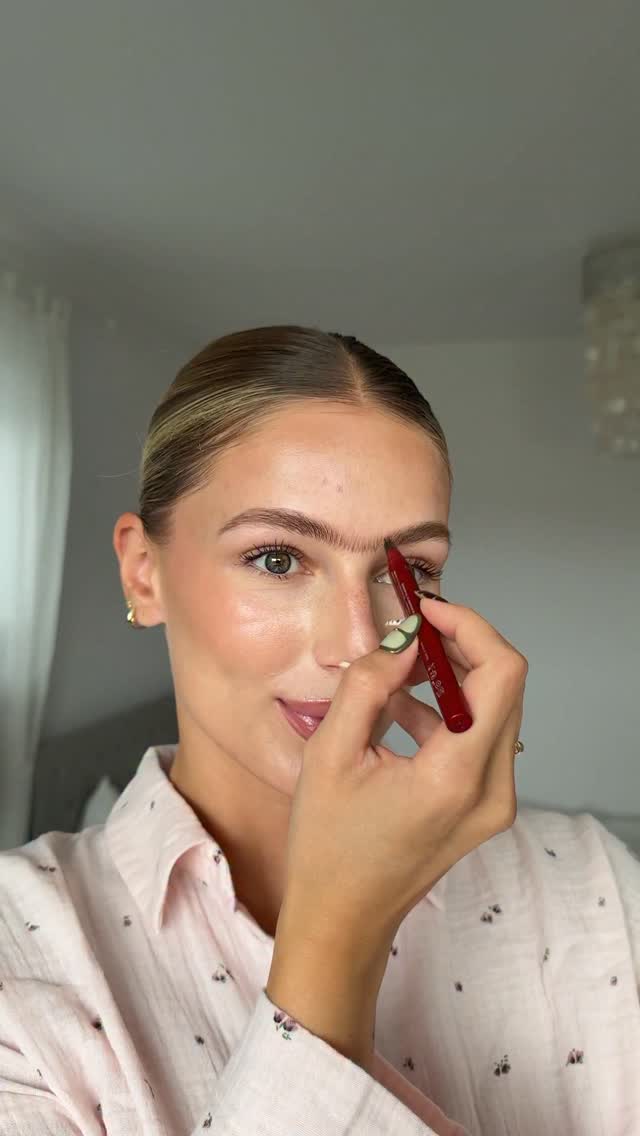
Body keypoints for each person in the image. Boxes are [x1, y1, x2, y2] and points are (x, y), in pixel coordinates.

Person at [0, 326, 638, 1135]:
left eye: (408, 572)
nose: (358, 645)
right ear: (144, 574)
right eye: (277, 559)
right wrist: (335, 946)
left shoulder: (591, 881)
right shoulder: (20, 957)